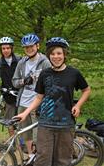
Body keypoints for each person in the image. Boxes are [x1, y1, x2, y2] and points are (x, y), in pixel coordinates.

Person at [15, 37, 91, 166]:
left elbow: (87, 90)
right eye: (52, 54)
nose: (56, 57)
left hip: (66, 125)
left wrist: (78, 106)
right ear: (49, 56)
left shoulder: (74, 73)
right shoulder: (45, 74)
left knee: (62, 161)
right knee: (42, 160)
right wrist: (25, 113)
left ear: (64, 55)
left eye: (59, 53)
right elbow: (39, 97)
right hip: (45, 124)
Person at [12, 33, 51, 158]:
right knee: (26, 131)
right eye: (26, 47)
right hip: (23, 102)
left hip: (39, 103)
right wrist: (24, 81)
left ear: (38, 46)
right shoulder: (22, 62)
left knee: (40, 132)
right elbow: (14, 81)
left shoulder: (45, 62)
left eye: (31, 46)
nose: (29, 49)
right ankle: (30, 155)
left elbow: (51, 82)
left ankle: (41, 155)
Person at [0, 36, 21, 136]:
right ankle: (12, 142)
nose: (6, 50)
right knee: (9, 120)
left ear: (12, 48)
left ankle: (24, 142)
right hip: (8, 95)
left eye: (8, 48)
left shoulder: (20, 60)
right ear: (1, 49)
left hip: (22, 94)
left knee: (22, 119)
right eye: (3, 48)